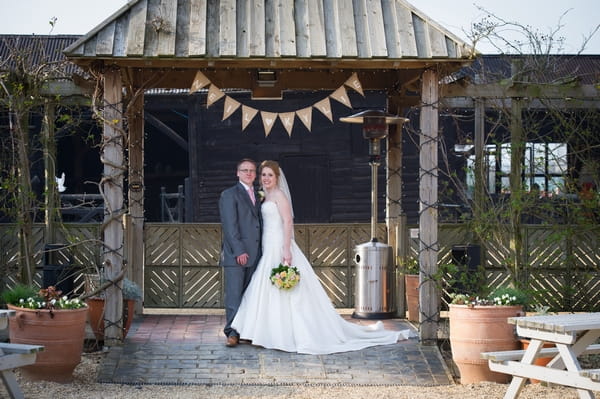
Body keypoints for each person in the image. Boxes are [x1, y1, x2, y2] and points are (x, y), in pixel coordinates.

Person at [232, 160, 410, 354]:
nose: (265, 178)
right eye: (263, 175)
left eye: (270, 175)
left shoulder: (279, 196)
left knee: (282, 290)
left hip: (279, 245)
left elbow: (288, 222)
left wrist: (286, 249)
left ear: (277, 178)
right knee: (264, 287)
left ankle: (281, 333)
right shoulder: (264, 197)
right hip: (267, 245)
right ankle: (262, 331)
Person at [218, 158, 262, 347]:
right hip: (238, 254)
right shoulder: (229, 195)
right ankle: (232, 333)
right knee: (235, 296)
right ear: (237, 173)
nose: (249, 173)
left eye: (252, 170)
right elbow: (230, 226)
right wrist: (239, 251)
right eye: (245, 170)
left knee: (250, 295)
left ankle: (247, 330)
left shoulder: (260, 195)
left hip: (257, 254)